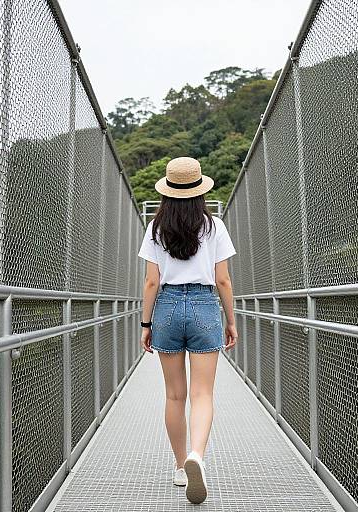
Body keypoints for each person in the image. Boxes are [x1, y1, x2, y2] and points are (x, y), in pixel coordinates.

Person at [137, 156, 238, 504]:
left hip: (165, 307)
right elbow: (222, 279)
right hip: (204, 305)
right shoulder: (215, 227)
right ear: (199, 191)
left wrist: (146, 323)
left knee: (174, 396)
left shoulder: (154, 228)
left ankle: (181, 467)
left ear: (166, 193)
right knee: (202, 395)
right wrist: (231, 319)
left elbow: (151, 282)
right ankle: (197, 454)